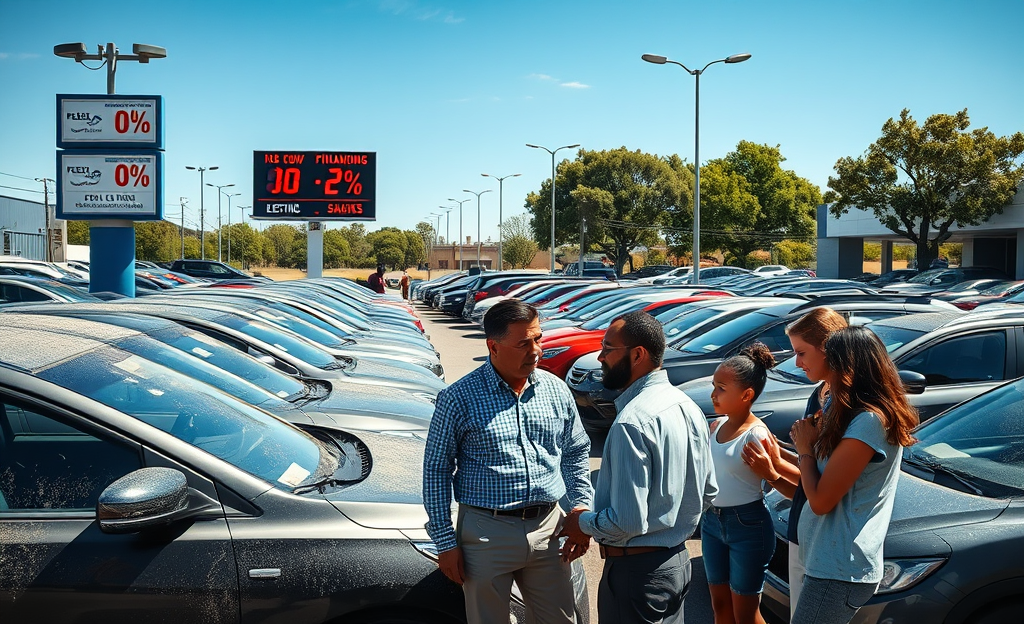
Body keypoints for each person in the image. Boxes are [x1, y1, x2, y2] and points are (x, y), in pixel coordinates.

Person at [422, 299, 593, 624]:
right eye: (524, 343)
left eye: (538, 339)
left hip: (548, 530)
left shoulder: (556, 390)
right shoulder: (458, 398)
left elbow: (575, 451)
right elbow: (436, 470)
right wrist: (445, 542)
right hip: (486, 534)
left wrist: (581, 509)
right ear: (493, 346)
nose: (536, 351)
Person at [559, 311, 717, 624]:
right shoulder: (686, 405)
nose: (600, 357)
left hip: (637, 574)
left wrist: (582, 523)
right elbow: (709, 491)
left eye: (607, 348)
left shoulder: (632, 422)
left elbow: (627, 521)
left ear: (637, 355)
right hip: (676, 564)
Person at [788, 326, 918, 624]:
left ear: (845, 366)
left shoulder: (870, 421)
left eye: (829, 359)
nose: (798, 362)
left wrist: (805, 450)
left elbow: (821, 501)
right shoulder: (844, 410)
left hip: (839, 569)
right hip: (827, 563)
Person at [741, 306, 847, 619]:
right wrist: (779, 455)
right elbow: (808, 471)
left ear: (829, 348)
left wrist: (775, 472)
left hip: (825, 543)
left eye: (801, 353)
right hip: (802, 530)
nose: (797, 362)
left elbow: (822, 486)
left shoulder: (847, 406)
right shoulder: (820, 394)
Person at [702, 342, 777, 624]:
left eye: (721, 388)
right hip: (712, 521)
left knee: (745, 614)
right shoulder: (717, 426)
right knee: (719, 606)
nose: (713, 394)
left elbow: (773, 479)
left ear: (747, 395)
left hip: (748, 525)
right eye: (714, 386)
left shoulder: (757, 434)